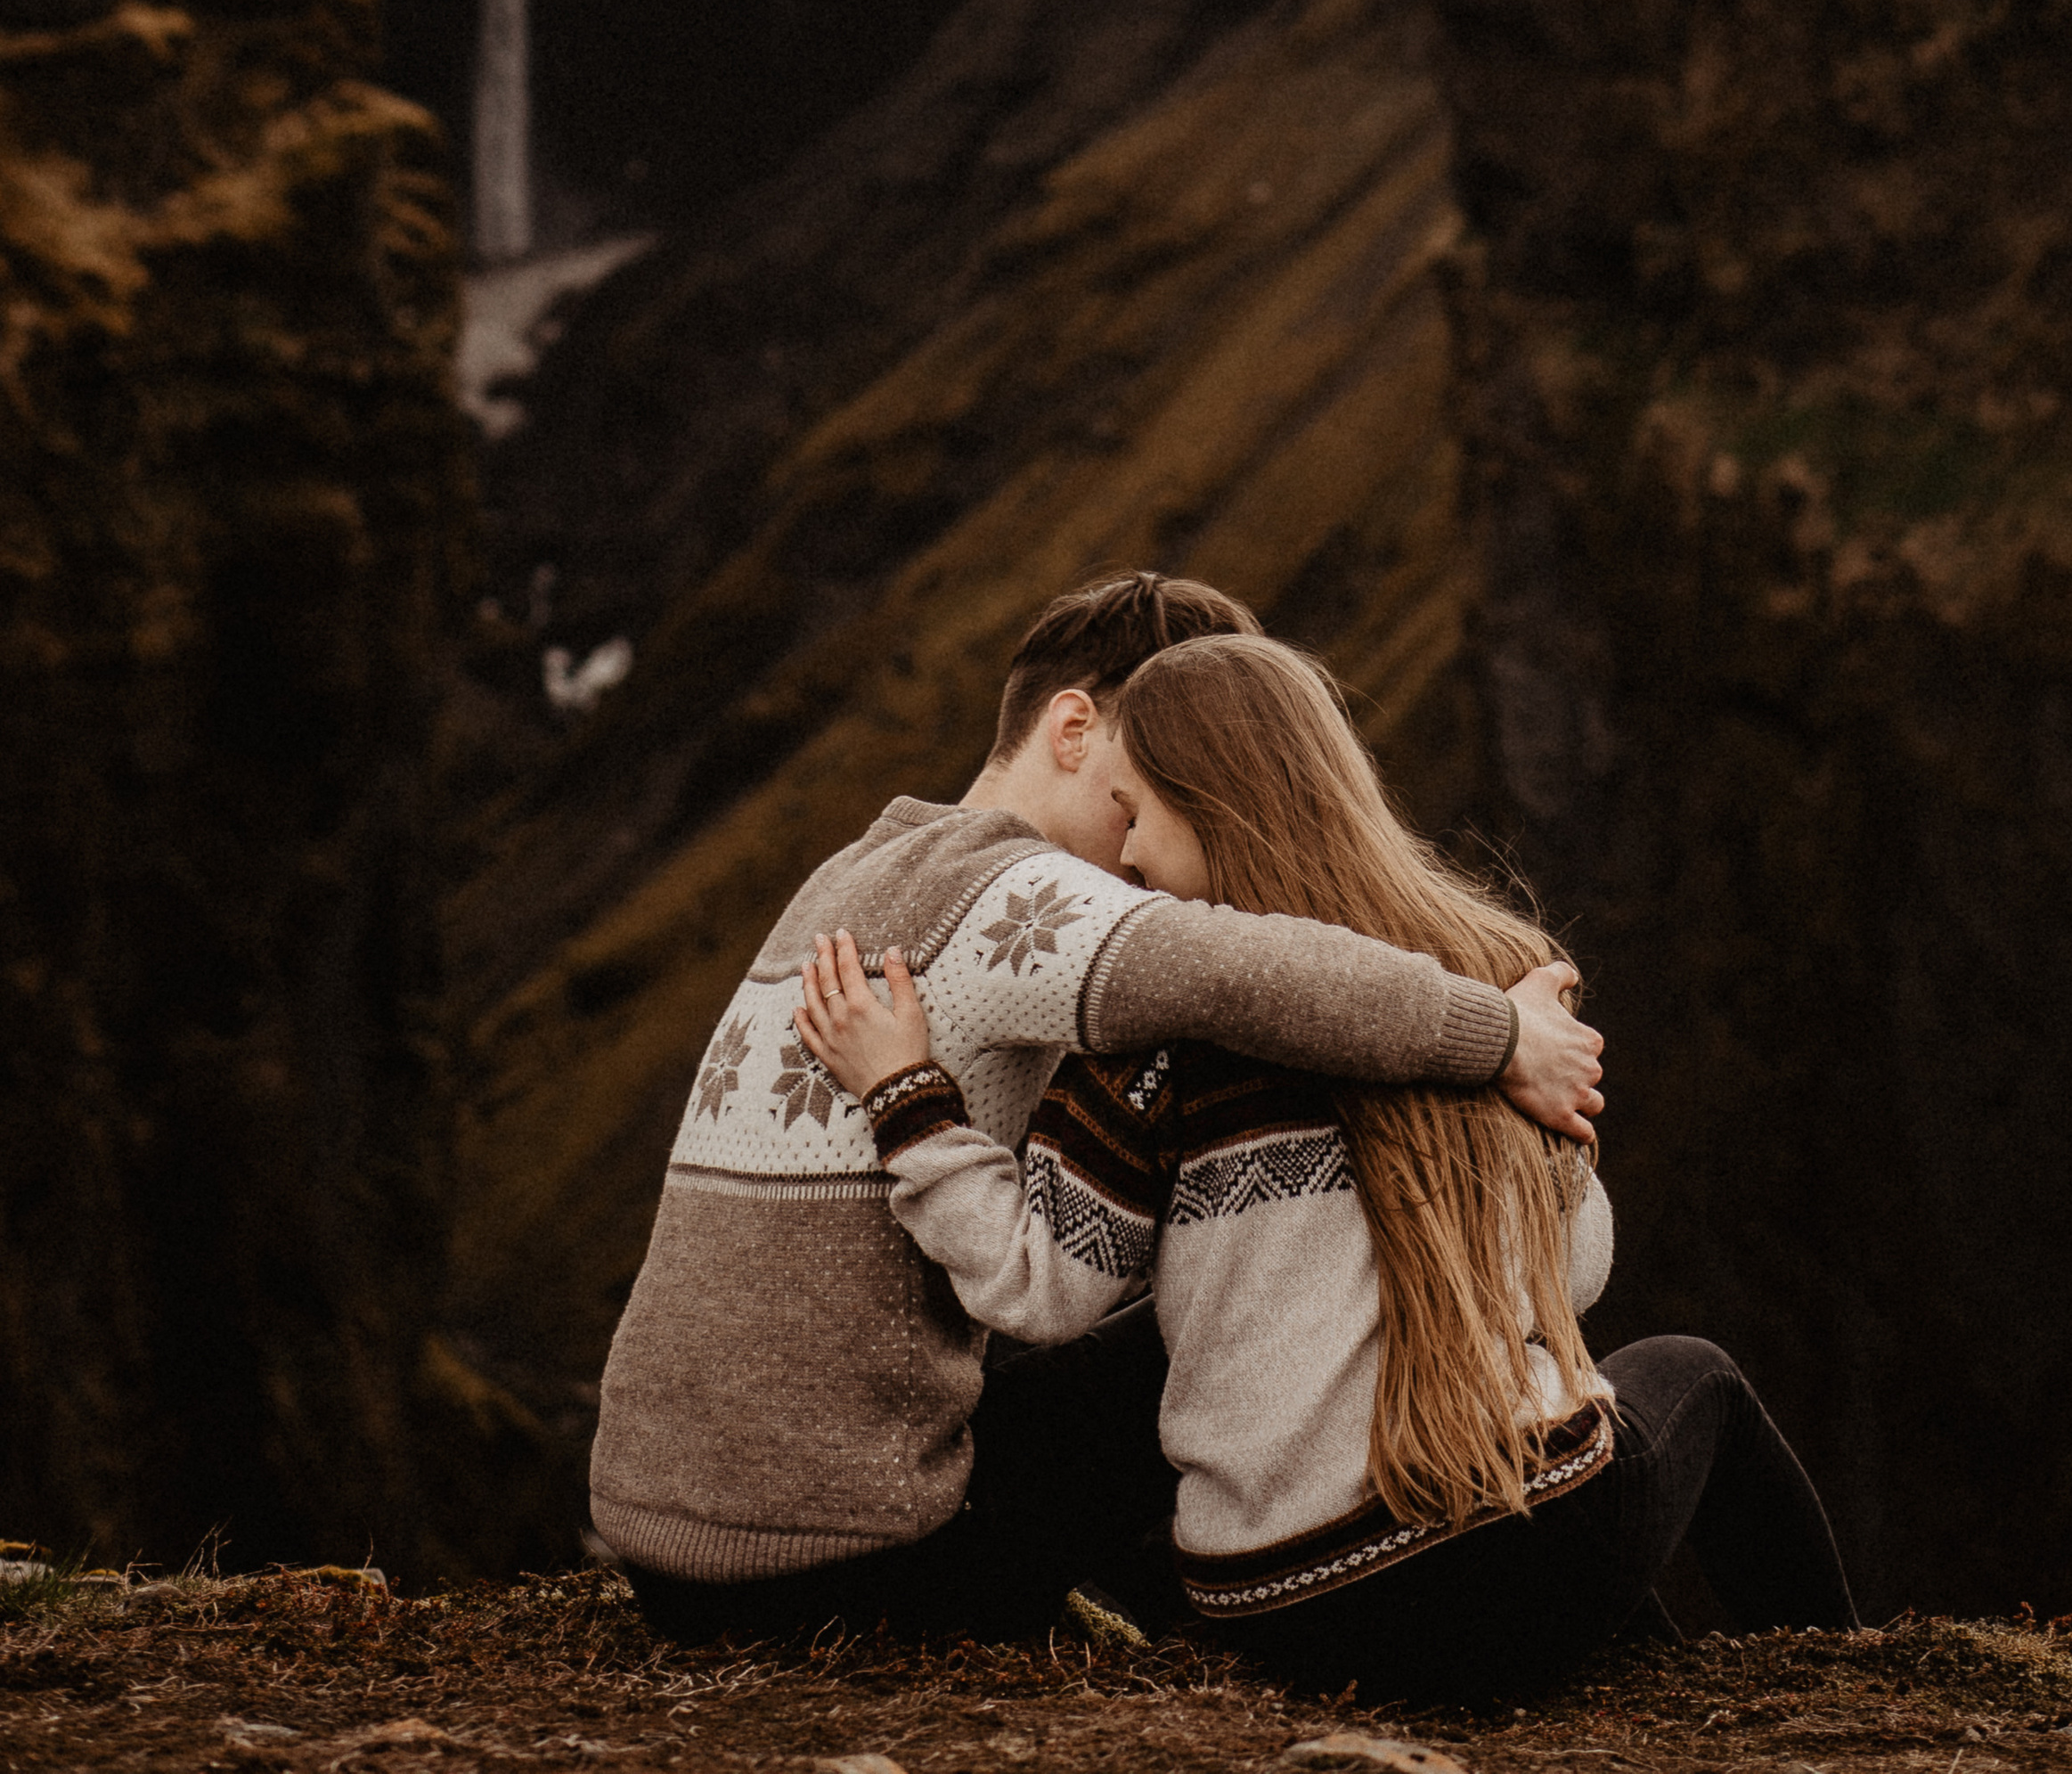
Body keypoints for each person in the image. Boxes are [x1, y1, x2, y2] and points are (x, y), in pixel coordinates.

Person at [796, 628, 1856, 1705]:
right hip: (1521, 1571)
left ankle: (1638, 1673)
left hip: (1281, 1615)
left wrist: (907, 1100)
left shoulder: (1151, 1047)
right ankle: (1850, 1685)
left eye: (1136, 813)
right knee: (1694, 1380)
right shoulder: (1489, 989)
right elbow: (1574, 1278)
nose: (1123, 858)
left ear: (1213, 804)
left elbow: (1038, 1287)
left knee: (1531, 1465)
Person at [590, 573, 1606, 1640]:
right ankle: (1345, 1601)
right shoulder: (1024, 899)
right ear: (1075, 728)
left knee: (1164, 1290)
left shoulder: (858, 868)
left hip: (676, 1545)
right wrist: (1500, 1039)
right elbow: (1252, 973)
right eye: (1145, 786)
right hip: (837, 1570)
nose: (1142, 846)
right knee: (1225, 1322)